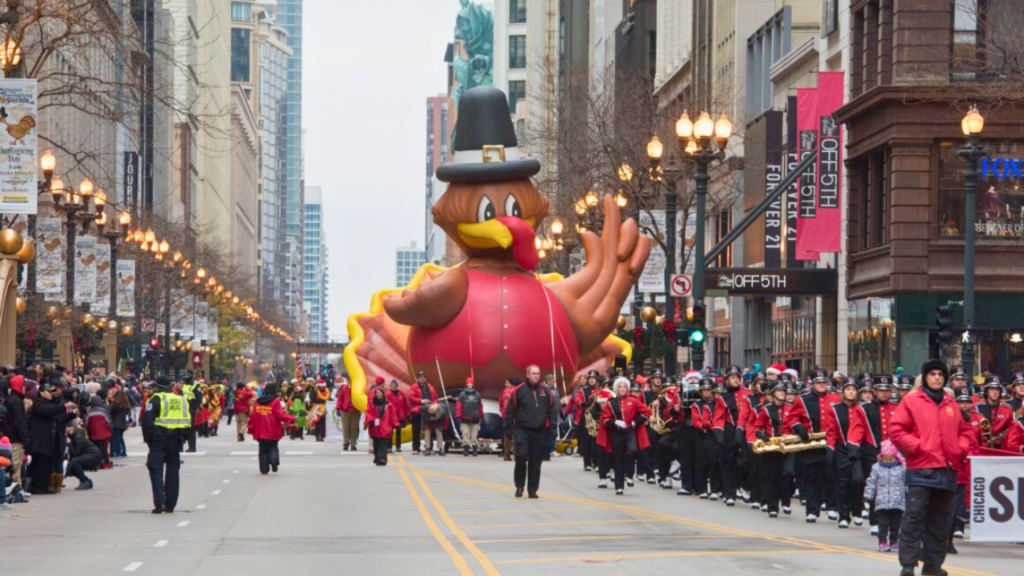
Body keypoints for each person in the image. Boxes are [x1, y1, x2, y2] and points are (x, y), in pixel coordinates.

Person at [890, 360, 972, 576]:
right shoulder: (911, 401)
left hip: (947, 470)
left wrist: (959, 449)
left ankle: (933, 565)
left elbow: (964, 432)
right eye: (932, 374)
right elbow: (897, 430)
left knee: (940, 522)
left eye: (940, 374)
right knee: (914, 519)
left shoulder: (951, 404)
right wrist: (918, 447)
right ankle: (908, 564)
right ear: (925, 377)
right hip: (921, 469)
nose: (937, 377)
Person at [783, 368, 840, 523]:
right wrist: (799, 427)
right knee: (812, 477)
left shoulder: (836, 398)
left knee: (831, 475)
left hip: (831, 442)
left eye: (824, 382)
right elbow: (792, 418)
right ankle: (812, 510)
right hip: (811, 443)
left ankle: (832, 507)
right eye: (818, 382)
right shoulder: (802, 400)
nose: (821, 385)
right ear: (812, 384)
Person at [504, 365, 558, 498]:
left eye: (538, 373)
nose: (536, 376)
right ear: (527, 375)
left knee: (535, 460)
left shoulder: (546, 391)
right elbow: (510, 410)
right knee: (521, 457)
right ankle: (519, 486)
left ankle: (532, 489)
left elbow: (552, 410)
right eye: (533, 373)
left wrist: (552, 428)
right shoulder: (519, 390)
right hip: (522, 429)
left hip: (539, 431)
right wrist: (509, 429)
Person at [142, 375, 190, 514]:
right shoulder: (181, 399)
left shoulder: (156, 399)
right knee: (173, 471)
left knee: (155, 469)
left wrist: (149, 440)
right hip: (176, 440)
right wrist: (183, 439)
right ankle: (170, 504)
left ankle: (159, 502)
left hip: (158, 439)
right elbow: (188, 421)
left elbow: (147, 421)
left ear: (157, 386)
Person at [597, 377, 651, 495]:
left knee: (632, 451)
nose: (622, 389)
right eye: (620, 387)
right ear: (616, 389)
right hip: (616, 432)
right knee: (618, 459)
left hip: (629, 431)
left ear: (627, 388)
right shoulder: (610, 403)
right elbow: (605, 419)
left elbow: (647, 411)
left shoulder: (633, 400)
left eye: (624, 387)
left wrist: (635, 422)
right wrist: (615, 422)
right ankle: (619, 486)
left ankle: (630, 475)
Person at [27, 380, 77, 495]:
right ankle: (37, 487)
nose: (51, 393)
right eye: (49, 391)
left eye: (52, 391)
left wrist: (72, 415)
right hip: (39, 439)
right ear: (41, 392)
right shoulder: (38, 404)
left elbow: (58, 418)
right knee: (40, 464)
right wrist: (64, 407)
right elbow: (49, 411)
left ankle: (44, 486)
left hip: (49, 439)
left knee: (48, 465)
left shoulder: (50, 403)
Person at [864, 440, 906, 552]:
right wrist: (868, 496)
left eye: (890, 458)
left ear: (895, 456)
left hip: (898, 501)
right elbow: (871, 482)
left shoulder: (902, 467)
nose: (887, 461)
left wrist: (909, 495)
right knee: (883, 524)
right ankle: (882, 542)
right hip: (882, 502)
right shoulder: (876, 467)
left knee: (896, 524)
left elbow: (907, 483)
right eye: (885, 458)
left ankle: (894, 542)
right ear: (881, 456)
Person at [248, 383, 297, 474]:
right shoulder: (275, 402)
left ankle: (264, 469)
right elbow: (281, 415)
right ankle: (274, 459)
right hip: (273, 430)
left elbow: (253, 417)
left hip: (260, 431)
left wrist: (251, 428)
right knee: (273, 446)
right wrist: (293, 418)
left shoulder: (258, 402)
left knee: (263, 450)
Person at [1, 375, 29, 491]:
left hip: (11, 437)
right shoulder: (16, 401)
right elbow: (19, 422)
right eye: (24, 385)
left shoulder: (11, 399)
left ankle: (18, 490)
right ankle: (16, 491)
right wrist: (25, 439)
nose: (25, 388)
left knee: (16, 466)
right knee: (15, 466)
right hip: (15, 439)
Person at [975, 376, 1013, 448]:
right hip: (982, 447)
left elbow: (1011, 431)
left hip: (1001, 447)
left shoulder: (1007, 409)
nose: (995, 392)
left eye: (997, 390)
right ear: (986, 391)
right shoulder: (978, 408)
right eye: (992, 389)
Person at [365, 387, 400, 466]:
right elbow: (368, 413)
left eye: (380, 393)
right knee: (376, 445)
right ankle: (377, 458)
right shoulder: (372, 403)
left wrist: (396, 424)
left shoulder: (389, 405)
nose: (378, 394)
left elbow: (393, 416)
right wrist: (370, 421)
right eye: (377, 393)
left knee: (383, 445)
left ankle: (382, 459)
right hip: (374, 428)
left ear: (383, 394)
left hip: (385, 428)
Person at [66, 421, 102, 490]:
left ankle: (83, 481)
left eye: (67, 428)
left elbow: (76, 453)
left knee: (75, 461)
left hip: (94, 455)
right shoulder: (73, 436)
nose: (66, 430)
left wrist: (69, 443)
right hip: (89, 455)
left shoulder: (78, 436)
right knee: (71, 467)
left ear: (72, 428)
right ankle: (87, 481)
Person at [408, 372, 438, 454]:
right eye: (420, 377)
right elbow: (411, 398)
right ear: (417, 378)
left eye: (424, 377)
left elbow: (435, 397)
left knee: (429, 429)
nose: (422, 378)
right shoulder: (414, 387)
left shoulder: (430, 387)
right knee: (416, 429)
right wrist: (421, 401)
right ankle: (416, 448)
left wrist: (435, 404)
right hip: (417, 410)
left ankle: (429, 447)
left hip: (428, 410)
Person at [456, 377, 484, 457]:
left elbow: (480, 406)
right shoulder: (462, 395)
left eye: (471, 383)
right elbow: (458, 407)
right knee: (465, 435)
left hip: (475, 418)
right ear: (466, 384)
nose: (469, 384)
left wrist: (481, 415)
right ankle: (466, 450)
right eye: (468, 383)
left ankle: (475, 450)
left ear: (473, 384)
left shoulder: (477, 394)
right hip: (465, 418)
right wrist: (458, 417)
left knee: (474, 435)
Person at [336, 376, 361, 450]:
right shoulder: (344, 388)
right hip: (345, 411)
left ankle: (353, 444)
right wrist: (338, 408)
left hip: (355, 411)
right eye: (349, 380)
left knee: (354, 428)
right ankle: (345, 443)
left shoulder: (358, 388)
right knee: (346, 428)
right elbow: (340, 399)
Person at [386, 379, 411, 452]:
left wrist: (407, 415)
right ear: (390, 386)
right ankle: (389, 447)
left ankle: (398, 447)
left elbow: (405, 405)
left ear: (397, 386)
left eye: (394, 385)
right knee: (390, 432)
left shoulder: (401, 394)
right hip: (391, 416)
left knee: (398, 432)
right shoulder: (388, 394)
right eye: (392, 385)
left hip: (400, 417)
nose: (393, 387)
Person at [109, 387, 132, 458]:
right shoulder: (126, 405)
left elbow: (112, 412)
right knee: (121, 438)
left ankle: (117, 451)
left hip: (116, 422)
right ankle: (123, 451)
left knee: (116, 438)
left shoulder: (116, 404)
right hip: (123, 423)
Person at [499, 378, 518, 461]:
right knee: (516, 435)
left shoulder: (505, 391)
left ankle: (506, 455)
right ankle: (516, 455)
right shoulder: (517, 391)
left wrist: (503, 413)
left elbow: (500, 403)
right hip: (515, 416)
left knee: (507, 435)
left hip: (506, 416)